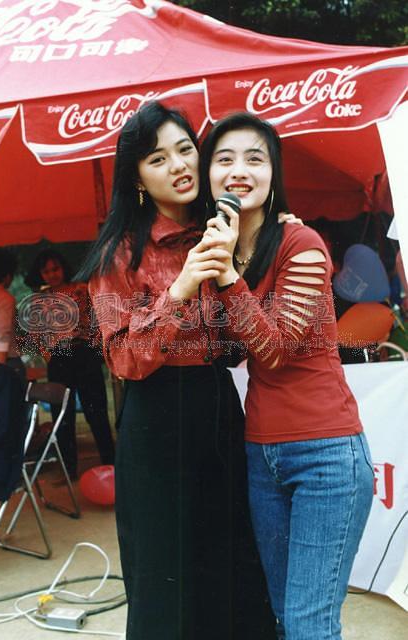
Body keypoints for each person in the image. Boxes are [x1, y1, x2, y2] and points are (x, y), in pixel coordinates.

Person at [76, 101, 301, 640]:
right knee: (166, 576)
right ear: (137, 178)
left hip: (220, 406)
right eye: (158, 159)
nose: (178, 165)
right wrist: (178, 291)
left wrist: (273, 235)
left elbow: (245, 341)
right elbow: (123, 359)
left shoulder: (225, 230)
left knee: (234, 564)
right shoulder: (118, 254)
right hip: (156, 420)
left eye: (184, 150)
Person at [199, 112, 374, 640]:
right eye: (224, 159)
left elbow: (274, 350)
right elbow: (226, 348)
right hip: (261, 453)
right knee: (282, 616)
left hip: (325, 454)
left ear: (273, 173)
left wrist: (226, 276)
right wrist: (219, 269)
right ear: (209, 175)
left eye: (255, 158)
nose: (239, 170)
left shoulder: (303, 244)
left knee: (308, 624)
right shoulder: (225, 249)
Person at [25, 249, 114, 479]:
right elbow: (35, 333)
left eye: (55, 269)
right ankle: (69, 470)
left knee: (96, 412)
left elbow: (99, 320)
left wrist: (96, 349)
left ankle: (111, 465)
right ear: (40, 274)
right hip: (59, 359)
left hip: (84, 354)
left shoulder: (81, 289)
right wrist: (48, 355)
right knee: (62, 416)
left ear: (63, 267)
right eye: (46, 271)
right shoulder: (39, 300)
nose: (52, 274)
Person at [0, 247, 25, 384]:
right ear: (7, 276)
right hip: (5, 362)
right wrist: (0, 368)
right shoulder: (5, 298)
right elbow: (2, 335)